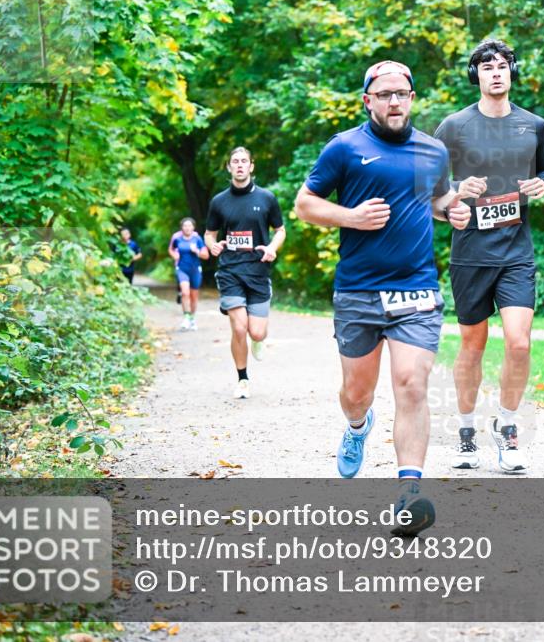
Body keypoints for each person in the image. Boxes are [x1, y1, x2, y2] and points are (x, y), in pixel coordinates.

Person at [294, 60, 470, 535]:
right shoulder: (345, 148)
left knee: (412, 383)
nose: (395, 101)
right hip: (358, 291)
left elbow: (431, 200)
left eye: (403, 93)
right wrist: (350, 217)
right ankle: (357, 427)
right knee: (357, 394)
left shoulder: (433, 152)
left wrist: (450, 211)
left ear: (413, 98)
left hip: (415, 287)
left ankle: (408, 493)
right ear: (367, 100)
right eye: (385, 93)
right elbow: (304, 205)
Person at [434, 39, 544, 473]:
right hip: (470, 253)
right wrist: (453, 198)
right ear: (476, 76)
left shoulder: (534, 125)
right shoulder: (453, 126)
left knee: (519, 343)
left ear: (512, 72)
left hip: (516, 250)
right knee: (473, 344)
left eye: (502, 66)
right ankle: (466, 433)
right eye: (487, 67)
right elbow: (429, 186)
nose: (496, 73)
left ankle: (507, 430)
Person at [204, 147, 286, 399]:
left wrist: (272, 247)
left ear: (251, 166)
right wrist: (213, 245)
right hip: (230, 271)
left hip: (258, 272)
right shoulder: (219, 201)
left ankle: (258, 340)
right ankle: (242, 379)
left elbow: (280, 230)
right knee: (239, 329)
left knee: (256, 332)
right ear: (229, 167)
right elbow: (209, 234)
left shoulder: (267, 198)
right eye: (234, 162)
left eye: (244, 161)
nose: (239, 165)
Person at [169, 217, 209, 331]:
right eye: (185, 226)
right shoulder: (177, 238)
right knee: (185, 292)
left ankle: (192, 318)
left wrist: (196, 250)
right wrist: (174, 255)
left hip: (195, 270)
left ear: (193, 227)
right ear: (182, 227)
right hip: (182, 269)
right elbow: (171, 249)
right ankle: (186, 317)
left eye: (189, 226)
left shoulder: (197, 239)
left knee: (194, 296)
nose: (187, 228)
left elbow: (206, 255)